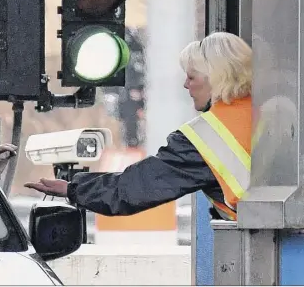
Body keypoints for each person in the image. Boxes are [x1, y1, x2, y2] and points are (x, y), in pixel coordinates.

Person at [25, 32, 253, 222]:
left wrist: (73, 189)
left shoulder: (208, 137)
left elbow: (135, 189)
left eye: (191, 77)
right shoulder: (274, 110)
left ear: (216, 79)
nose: (186, 85)